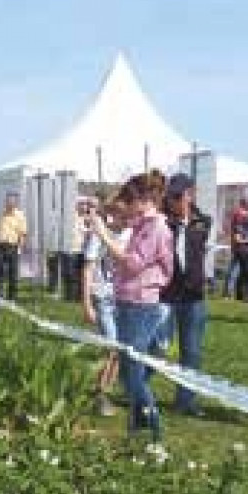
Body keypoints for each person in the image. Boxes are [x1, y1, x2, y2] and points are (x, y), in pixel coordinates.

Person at [94, 172, 173, 431]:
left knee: (131, 373)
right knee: (130, 371)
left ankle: (152, 426)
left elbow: (132, 263)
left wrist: (104, 235)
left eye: (131, 199)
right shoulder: (141, 225)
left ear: (146, 199)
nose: (128, 204)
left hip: (141, 306)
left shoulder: (156, 228)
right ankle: (137, 426)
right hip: (128, 302)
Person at [159, 174, 212, 416]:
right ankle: (140, 390)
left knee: (191, 350)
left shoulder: (203, 222)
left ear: (190, 195)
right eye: (171, 196)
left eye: (179, 196)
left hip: (193, 296)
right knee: (160, 345)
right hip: (165, 293)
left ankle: (186, 400)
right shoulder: (161, 222)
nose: (174, 201)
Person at [80, 192, 126, 416]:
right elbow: (87, 269)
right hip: (102, 297)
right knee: (111, 347)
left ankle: (104, 390)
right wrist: (87, 302)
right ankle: (100, 393)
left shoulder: (130, 232)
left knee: (119, 350)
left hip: (124, 298)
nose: (125, 218)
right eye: (121, 213)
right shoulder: (98, 235)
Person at [0, 192, 28, 300]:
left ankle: (12, 296)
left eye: (12, 201)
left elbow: (22, 233)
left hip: (12, 246)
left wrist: (20, 248)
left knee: (13, 272)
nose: (9, 202)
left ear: (16, 202)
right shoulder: (0, 214)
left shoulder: (20, 215)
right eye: (7, 200)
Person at [226, 195, 248, 302]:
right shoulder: (239, 215)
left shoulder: (245, 214)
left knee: (242, 273)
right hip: (243, 248)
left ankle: (238, 295)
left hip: (243, 248)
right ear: (245, 203)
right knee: (247, 273)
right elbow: (238, 237)